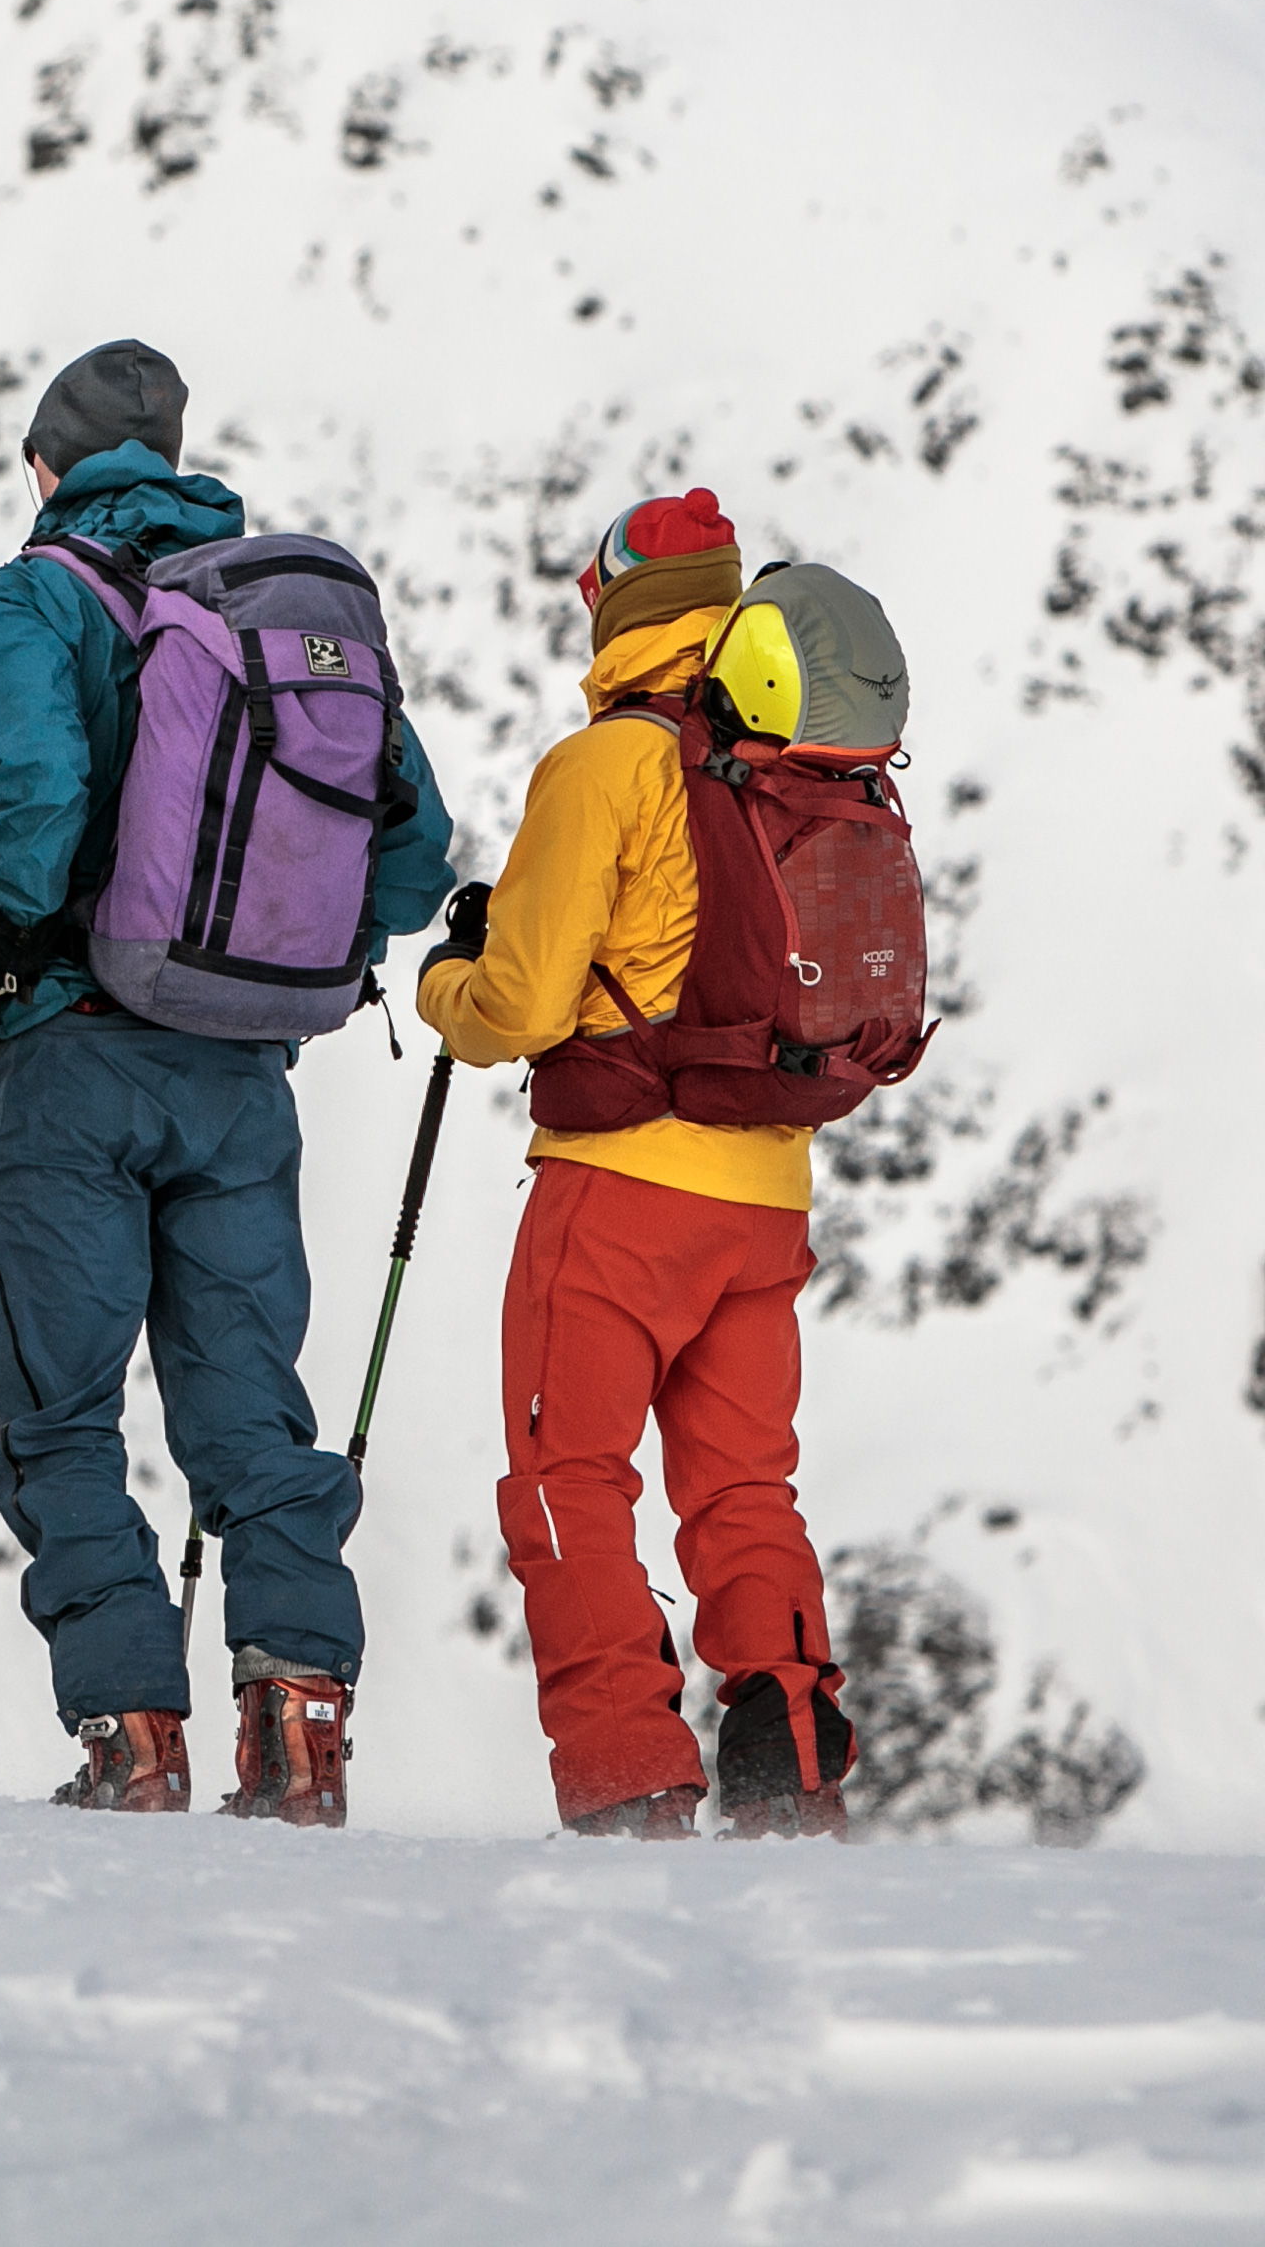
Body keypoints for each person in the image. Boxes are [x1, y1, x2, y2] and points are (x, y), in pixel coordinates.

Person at [0, 337, 460, 1821]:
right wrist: (306, 948)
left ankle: (128, 1734)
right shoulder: (274, 618)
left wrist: (8, 933)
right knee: (249, 1414)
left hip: (67, 1058)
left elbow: (33, 786)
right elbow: (413, 856)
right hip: (240, 1071)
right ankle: (296, 1725)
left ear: (46, 466)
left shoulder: (35, 595)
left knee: (63, 1412)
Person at [416, 489, 845, 1837]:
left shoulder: (603, 764)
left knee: (567, 1476)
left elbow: (526, 1005)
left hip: (617, 1189)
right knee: (740, 1484)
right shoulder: (790, 755)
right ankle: (790, 1751)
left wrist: (446, 982)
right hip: (765, 1189)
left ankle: (628, 1773)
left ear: (614, 607)